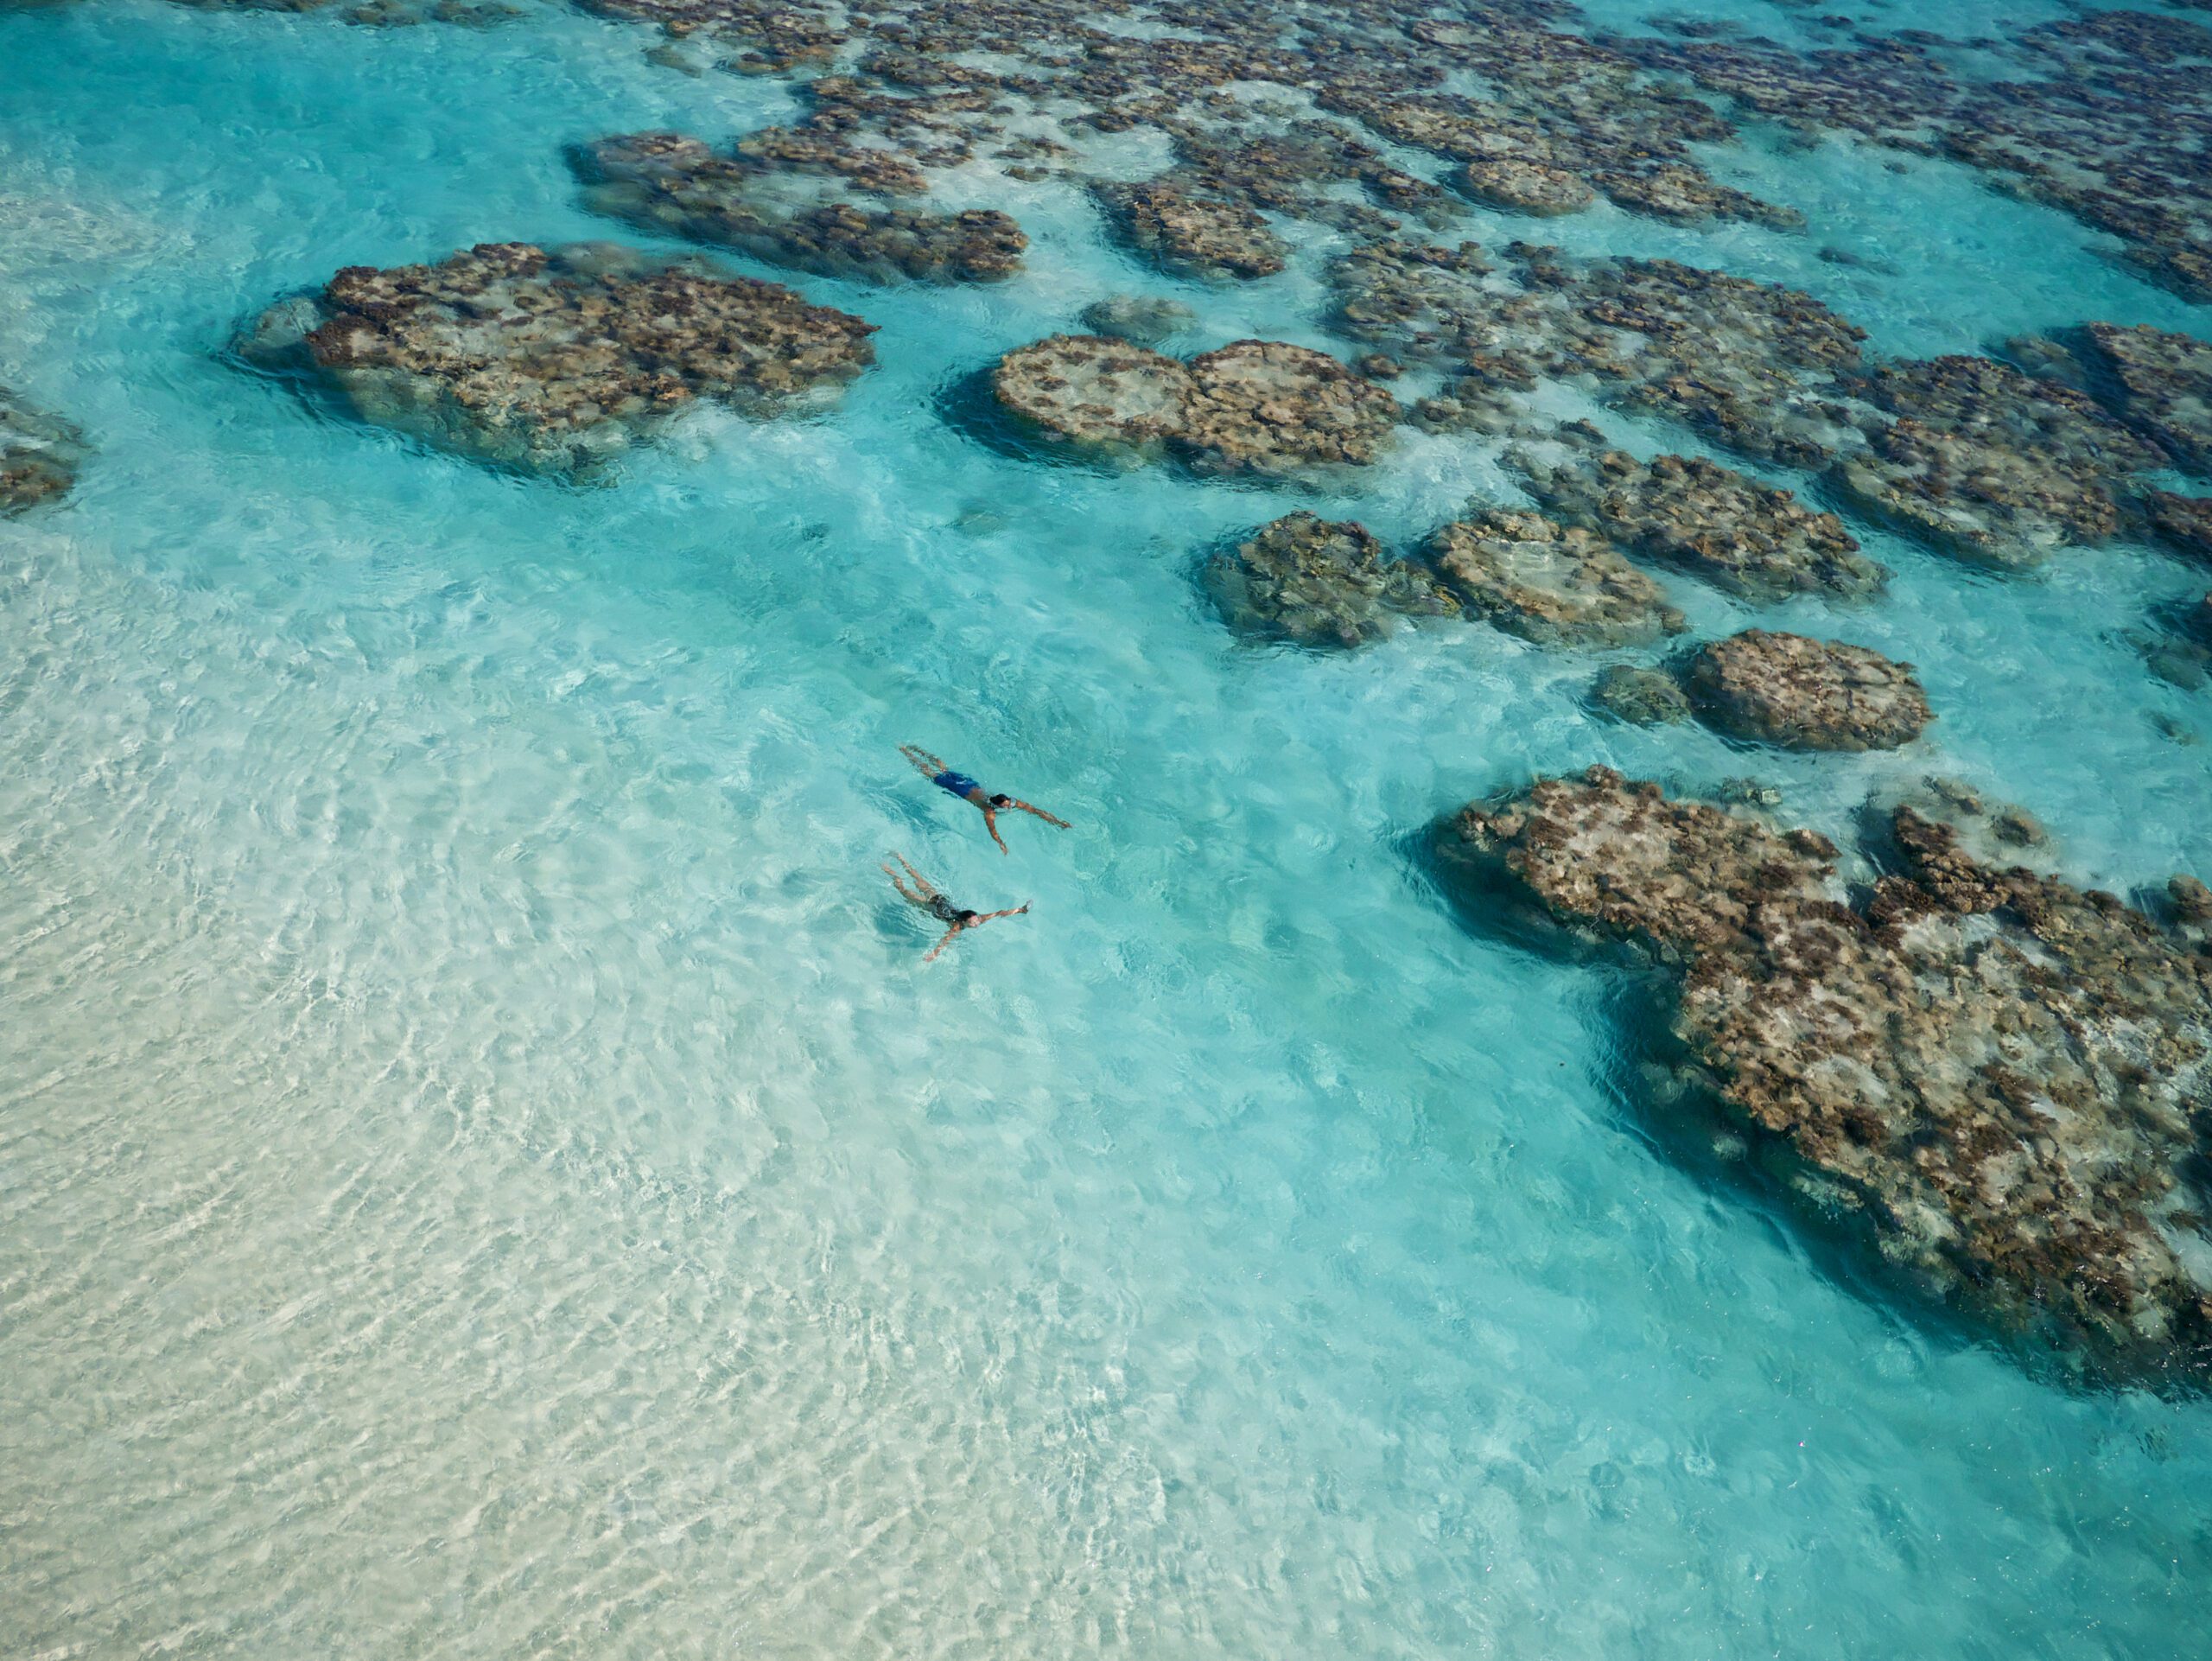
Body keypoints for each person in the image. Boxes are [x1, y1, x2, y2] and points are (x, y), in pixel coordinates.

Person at [899, 744, 1070, 855]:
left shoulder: (1007, 801)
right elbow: (992, 830)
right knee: (930, 772)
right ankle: (907, 752)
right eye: (1007, 806)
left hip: (969, 783)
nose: (1010, 806)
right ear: (998, 805)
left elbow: (1036, 811)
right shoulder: (989, 812)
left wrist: (1057, 822)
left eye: (1009, 803)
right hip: (960, 789)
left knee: (943, 768)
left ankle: (916, 748)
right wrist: (1001, 843)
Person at [881, 852, 1030, 963]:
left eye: (976, 921)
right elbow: (945, 940)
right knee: (903, 890)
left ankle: (900, 858)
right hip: (931, 905)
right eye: (973, 923)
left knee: (918, 878)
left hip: (940, 898)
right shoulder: (957, 926)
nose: (977, 923)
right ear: (965, 921)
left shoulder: (979, 919)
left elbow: (999, 913)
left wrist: (1019, 910)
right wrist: (934, 954)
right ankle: (892, 873)